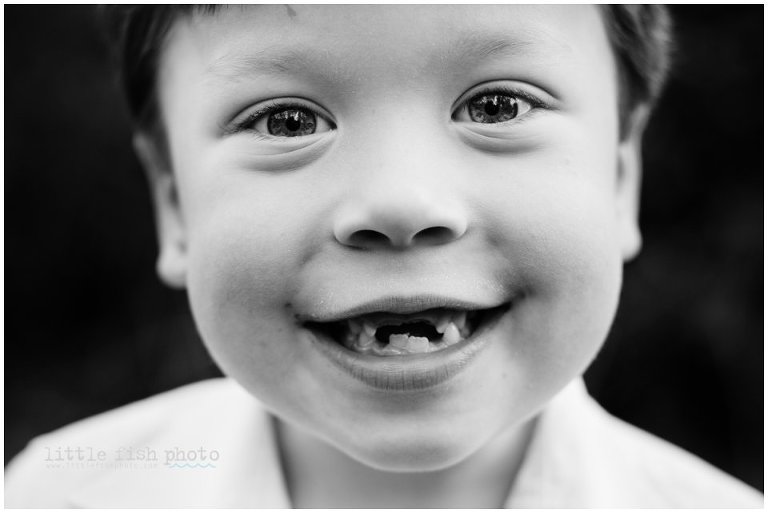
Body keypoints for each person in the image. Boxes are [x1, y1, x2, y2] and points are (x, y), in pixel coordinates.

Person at [4, 5, 762, 508]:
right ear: (174, 203)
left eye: (497, 106)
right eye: (287, 119)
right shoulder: (59, 495)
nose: (401, 202)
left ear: (621, 175)